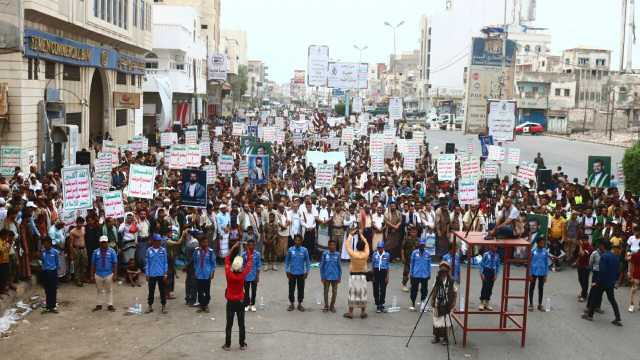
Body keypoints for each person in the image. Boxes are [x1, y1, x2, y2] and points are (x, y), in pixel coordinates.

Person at [222, 242, 254, 351]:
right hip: (240, 301)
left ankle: (227, 345)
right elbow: (250, 261)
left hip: (230, 301)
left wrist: (233, 247)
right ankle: (241, 344)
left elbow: (226, 259)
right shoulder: (243, 274)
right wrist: (247, 249)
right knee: (241, 324)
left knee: (229, 324)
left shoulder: (228, 274)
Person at [583, 242, 622, 326]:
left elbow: (602, 271)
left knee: (594, 297)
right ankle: (618, 317)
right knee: (612, 300)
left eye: (600, 245)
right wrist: (615, 281)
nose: (599, 247)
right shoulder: (615, 257)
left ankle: (590, 315)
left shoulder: (604, 256)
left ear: (603, 246)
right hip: (610, 282)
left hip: (602, 281)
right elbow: (618, 271)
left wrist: (596, 282)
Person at [343, 227, 370, 319]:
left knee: (352, 294)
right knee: (362, 293)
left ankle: (350, 312)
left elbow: (347, 244)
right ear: (363, 247)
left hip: (354, 276)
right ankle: (363, 312)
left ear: (357, 247)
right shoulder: (366, 254)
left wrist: (351, 234)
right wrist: (361, 235)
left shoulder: (353, 254)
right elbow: (366, 243)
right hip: (363, 276)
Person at [431, 262, 457, 345]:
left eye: (445, 271)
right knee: (436, 320)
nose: (443, 273)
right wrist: (432, 299)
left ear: (448, 271)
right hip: (438, 303)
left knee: (446, 321)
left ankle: (446, 338)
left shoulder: (451, 281)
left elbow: (455, 292)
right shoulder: (437, 279)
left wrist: (454, 302)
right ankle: (437, 337)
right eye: (441, 271)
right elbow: (434, 290)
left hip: (447, 304)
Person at [91, 235, 117, 312]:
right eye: (102, 242)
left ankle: (110, 305)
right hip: (98, 274)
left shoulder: (112, 251)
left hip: (108, 274)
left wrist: (115, 274)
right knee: (99, 290)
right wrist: (92, 275)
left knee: (109, 290)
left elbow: (115, 263)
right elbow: (93, 264)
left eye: (105, 242)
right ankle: (99, 304)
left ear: (107, 242)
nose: (104, 244)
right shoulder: (95, 252)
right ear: (100, 243)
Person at [285, 234, 310, 311]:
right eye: (296, 240)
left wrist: (307, 272)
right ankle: (292, 304)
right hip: (292, 273)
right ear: (294, 241)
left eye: (299, 240)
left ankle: (300, 304)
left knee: (301, 289)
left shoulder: (304, 250)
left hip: (301, 273)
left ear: (301, 241)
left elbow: (308, 262)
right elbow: (287, 261)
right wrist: (287, 271)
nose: (297, 242)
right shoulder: (290, 250)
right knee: (291, 289)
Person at [145, 234, 168, 314]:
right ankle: (150, 306)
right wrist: (147, 274)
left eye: (159, 241)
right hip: (152, 274)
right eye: (157, 241)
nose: (159, 243)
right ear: (153, 241)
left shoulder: (163, 250)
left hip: (161, 274)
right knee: (151, 291)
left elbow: (165, 263)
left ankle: (163, 306)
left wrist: (165, 273)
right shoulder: (149, 250)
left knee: (162, 291)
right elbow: (147, 263)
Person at [192, 233, 216, 313]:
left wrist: (212, 272)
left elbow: (213, 263)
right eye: (203, 242)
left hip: (207, 274)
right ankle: (202, 306)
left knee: (207, 292)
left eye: (206, 242)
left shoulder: (210, 252)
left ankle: (206, 304)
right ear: (200, 243)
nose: (205, 244)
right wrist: (195, 270)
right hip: (199, 274)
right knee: (200, 291)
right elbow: (194, 261)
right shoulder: (196, 251)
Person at [409, 238, 431, 311]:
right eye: (420, 245)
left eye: (423, 245)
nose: (422, 246)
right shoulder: (414, 253)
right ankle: (413, 303)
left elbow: (429, 265)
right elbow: (412, 264)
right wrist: (411, 273)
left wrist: (429, 274)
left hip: (424, 275)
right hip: (416, 274)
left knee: (424, 290)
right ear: (419, 245)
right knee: (414, 289)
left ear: (424, 245)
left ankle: (422, 303)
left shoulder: (428, 254)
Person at [319, 238, 341, 313]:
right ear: (328, 246)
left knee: (334, 292)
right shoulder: (325, 254)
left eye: (334, 245)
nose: (332, 246)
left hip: (335, 276)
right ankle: (326, 305)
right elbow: (321, 266)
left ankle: (332, 305)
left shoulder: (337, 254)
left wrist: (339, 276)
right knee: (326, 291)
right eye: (330, 245)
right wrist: (322, 276)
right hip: (326, 276)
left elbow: (339, 266)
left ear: (335, 246)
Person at [529, 237, 549, 311]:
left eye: (543, 242)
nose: (542, 244)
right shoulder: (533, 251)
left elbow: (547, 264)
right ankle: (531, 304)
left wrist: (546, 275)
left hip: (542, 273)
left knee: (541, 288)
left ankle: (540, 304)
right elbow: (529, 263)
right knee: (532, 287)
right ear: (537, 243)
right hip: (533, 272)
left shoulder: (545, 252)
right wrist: (530, 274)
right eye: (541, 242)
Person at [40, 236, 59, 314]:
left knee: (53, 289)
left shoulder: (55, 252)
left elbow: (57, 263)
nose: (45, 245)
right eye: (44, 243)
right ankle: (48, 306)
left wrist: (55, 272)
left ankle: (53, 306)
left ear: (50, 244)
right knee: (47, 290)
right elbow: (42, 262)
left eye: (47, 243)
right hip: (45, 273)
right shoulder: (43, 252)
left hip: (53, 272)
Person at [243, 238, 261, 312]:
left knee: (254, 291)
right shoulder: (244, 254)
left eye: (252, 245)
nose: (251, 247)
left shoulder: (257, 254)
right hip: (246, 276)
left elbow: (258, 265)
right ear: (247, 246)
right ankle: (247, 304)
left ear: (254, 246)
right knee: (246, 291)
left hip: (254, 275)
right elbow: (242, 265)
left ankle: (253, 304)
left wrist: (257, 276)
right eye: (249, 245)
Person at [479, 245, 499, 311]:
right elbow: (481, 264)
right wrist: (481, 273)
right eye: (494, 247)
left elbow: (497, 265)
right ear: (491, 247)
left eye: (496, 247)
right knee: (485, 286)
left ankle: (487, 303)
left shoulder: (497, 255)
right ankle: (482, 302)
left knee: (490, 288)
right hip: (486, 271)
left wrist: (496, 274)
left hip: (492, 272)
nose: (495, 248)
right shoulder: (486, 254)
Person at [371, 240, 390, 313]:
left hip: (383, 272)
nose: (380, 249)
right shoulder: (374, 254)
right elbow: (372, 265)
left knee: (383, 289)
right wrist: (372, 276)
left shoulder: (387, 255)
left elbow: (388, 266)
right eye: (378, 248)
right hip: (376, 272)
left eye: (381, 248)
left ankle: (381, 303)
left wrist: (387, 276)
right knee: (375, 289)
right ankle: (377, 304)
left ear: (383, 248)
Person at [576, 236, 593, 303]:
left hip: (586, 266)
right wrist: (576, 261)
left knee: (585, 281)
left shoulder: (589, 247)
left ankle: (584, 295)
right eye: (582, 240)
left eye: (584, 240)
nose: (583, 242)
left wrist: (580, 246)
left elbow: (582, 254)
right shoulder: (582, 245)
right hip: (580, 265)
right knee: (580, 279)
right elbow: (579, 254)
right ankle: (584, 292)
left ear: (587, 240)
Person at [628, 247, 640, 312]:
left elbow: (631, 265)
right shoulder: (635, 255)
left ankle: (632, 305)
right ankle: (632, 305)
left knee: (634, 290)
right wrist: (631, 275)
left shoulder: (635, 255)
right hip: (636, 274)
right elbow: (632, 265)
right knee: (634, 290)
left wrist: (630, 275)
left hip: (636, 275)